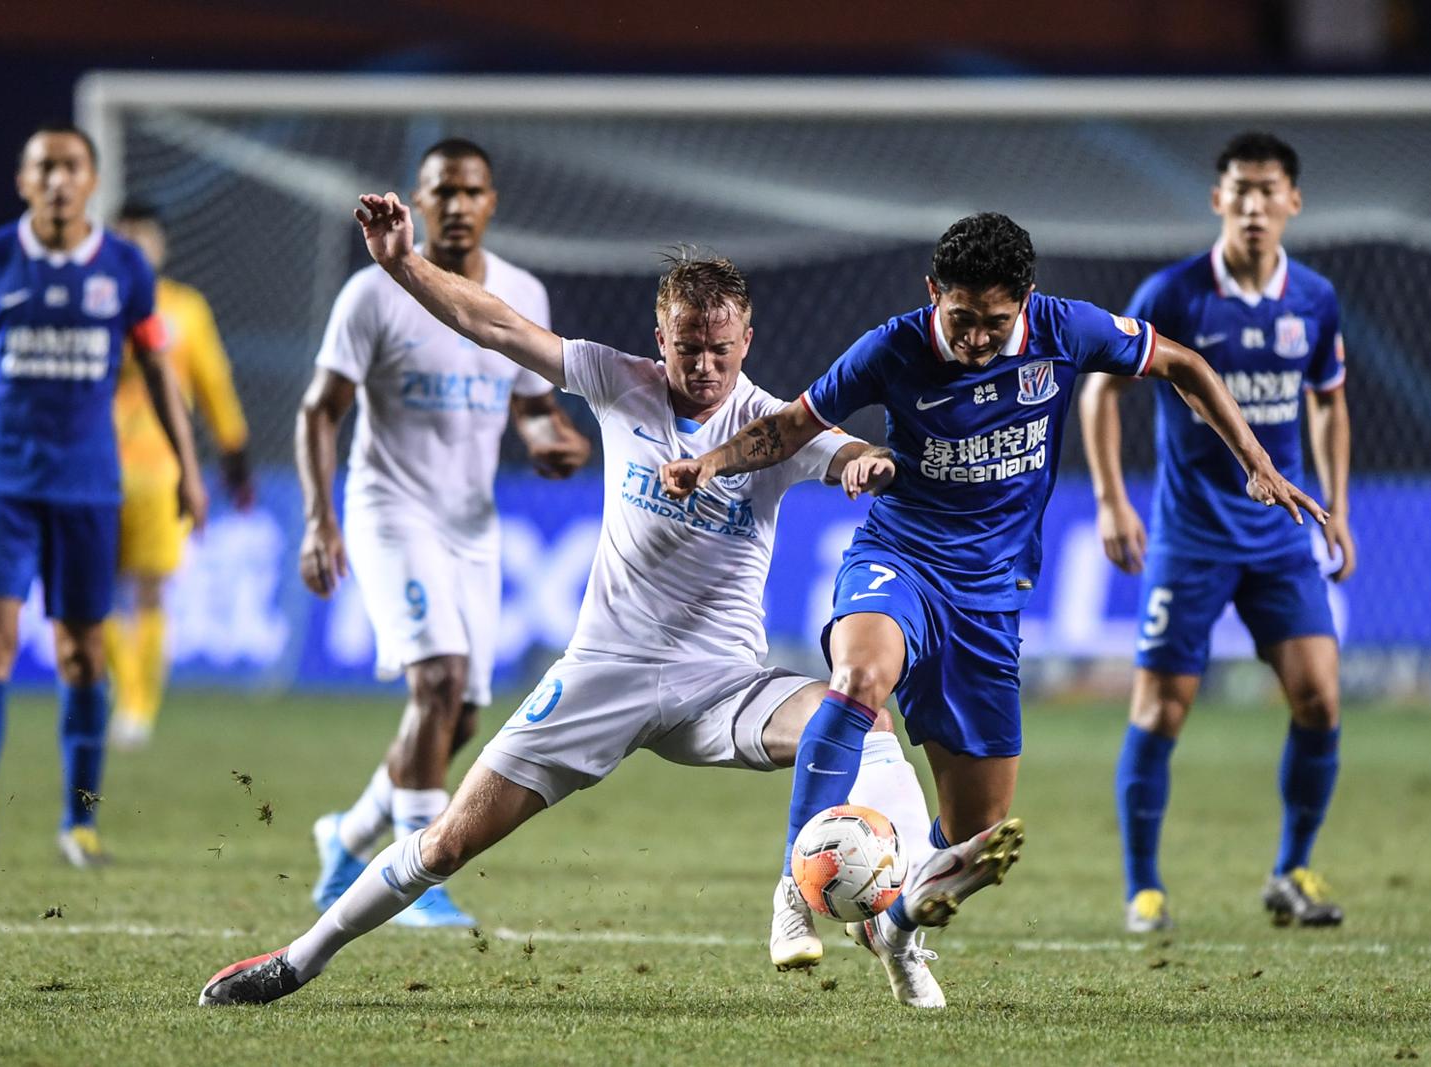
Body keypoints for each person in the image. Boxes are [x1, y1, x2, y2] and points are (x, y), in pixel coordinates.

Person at [198, 193, 945, 1008]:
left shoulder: (773, 425)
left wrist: (865, 461)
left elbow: (847, 448)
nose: (703, 366)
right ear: (659, 337)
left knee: (865, 723)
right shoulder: (619, 381)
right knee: (446, 843)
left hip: (723, 685)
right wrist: (403, 263)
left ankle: (897, 914)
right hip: (601, 675)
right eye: (688, 348)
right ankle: (297, 960)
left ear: (747, 342)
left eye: (720, 350)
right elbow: (496, 325)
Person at [658, 211, 1327, 1007]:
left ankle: (897, 928)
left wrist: (1256, 461)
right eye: (962, 317)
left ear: (1027, 300)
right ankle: (794, 892)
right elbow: (793, 426)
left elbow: (1184, 363)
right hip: (900, 558)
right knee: (860, 677)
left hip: (988, 597)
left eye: (995, 321)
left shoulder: (1065, 330)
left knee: (979, 829)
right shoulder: (893, 347)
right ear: (933, 292)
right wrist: (710, 462)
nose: (977, 337)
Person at [297, 140, 590, 928]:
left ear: (492, 202)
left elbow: (532, 405)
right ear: (420, 202)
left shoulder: (521, 291)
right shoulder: (374, 293)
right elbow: (320, 409)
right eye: (442, 191)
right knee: (437, 680)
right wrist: (320, 518)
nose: (457, 205)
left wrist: (550, 441)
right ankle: (416, 877)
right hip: (390, 510)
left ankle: (347, 834)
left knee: (457, 715)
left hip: (472, 524)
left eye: (471, 191)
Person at [1079, 132, 1354, 933]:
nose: (1254, 205)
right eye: (1240, 190)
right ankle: (1144, 888)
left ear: (1293, 201)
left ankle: (1291, 869)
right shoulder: (1172, 294)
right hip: (1191, 536)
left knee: (1320, 698)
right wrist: (1110, 498)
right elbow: (1101, 393)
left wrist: (1338, 505)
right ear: (1217, 199)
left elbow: (1329, 400)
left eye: (1269, 190)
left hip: (1279, 536)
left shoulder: (1315, 300)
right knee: (1162, 710)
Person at [0, 124, 207, 868]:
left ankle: (79, 825)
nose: (57, 180)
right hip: (2, 481)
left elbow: (158, 370)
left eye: (71, 166)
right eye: (43, 167)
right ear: (23, 181)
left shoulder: (124, 267)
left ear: (92, 180)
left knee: (82, 652)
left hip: (87, 485)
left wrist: (189, 466)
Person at [103, 201, 254, 751]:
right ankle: (125, 691)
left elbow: (213, 383)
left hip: (162, 472)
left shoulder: (185, 311)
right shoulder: (94, 304)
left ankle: (136, 708)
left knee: (150, 592)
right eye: (124, 236)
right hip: (95, 469)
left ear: (161, 246)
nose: (134, 247)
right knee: (94, 594)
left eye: (143, 237)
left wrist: (234, 452)